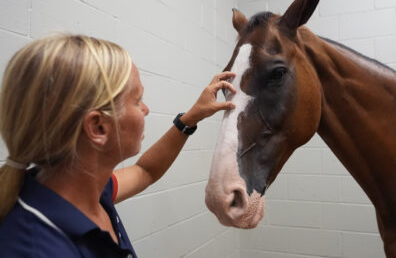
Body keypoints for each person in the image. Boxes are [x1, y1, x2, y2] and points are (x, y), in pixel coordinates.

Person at [0, 34, 236, 257]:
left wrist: (190, 118)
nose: (146, 110)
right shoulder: (37, 248)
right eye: (137, 100)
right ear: (98, 127)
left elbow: (145, 171)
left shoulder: (84, 188)